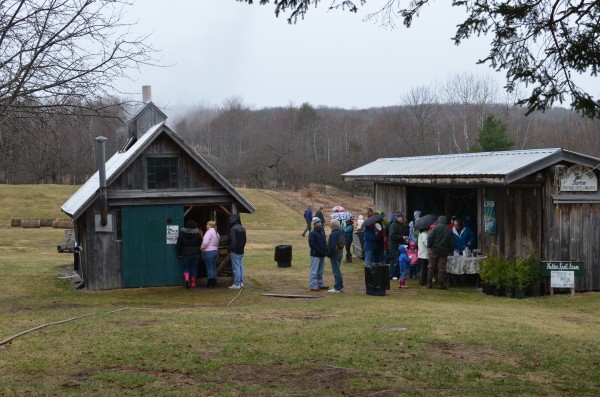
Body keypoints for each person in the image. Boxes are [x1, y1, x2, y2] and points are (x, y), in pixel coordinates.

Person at [426, 216, 455, 289]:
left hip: (434, 250)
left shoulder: (435, 228)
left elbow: (430, 238)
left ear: (439, 220)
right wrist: (450, 251)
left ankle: (429, 284)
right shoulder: (449, 230)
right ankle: (440, 285)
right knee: (442, 268)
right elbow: (452, 242)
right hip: (444, 252)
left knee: (431, 267)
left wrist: (429, 246)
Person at [176, 220, 202, 288]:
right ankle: (193, 283)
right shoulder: (197, 233)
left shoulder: (181, 233)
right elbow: (200, 243)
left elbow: (179, 244)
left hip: (185, 253)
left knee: (186, 268)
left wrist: (179, 253)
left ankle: (187, 280)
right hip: (195, 253)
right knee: (194, 268)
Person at [308, 217, 328, 291]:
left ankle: (320, 284)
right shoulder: (312, 232)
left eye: (320, 222)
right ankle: (312, 285)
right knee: (314, 271)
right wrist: (318, 250)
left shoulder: (322, 231)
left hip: (322, 253)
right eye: (318, 222)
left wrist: (325, 250)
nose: (319, 224)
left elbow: (324, 241)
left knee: (320, 271)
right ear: (315, 224)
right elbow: (312, 244)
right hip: (316, 254)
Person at [228, 213, 247, 290]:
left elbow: (233, 241)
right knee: (240, 266)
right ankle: (241, 282)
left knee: (236, 268)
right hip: (241, 250)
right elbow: (245, 240)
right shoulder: (242, 228)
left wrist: (231, 248)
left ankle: (236, 284)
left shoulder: (233, 229)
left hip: (235, 251)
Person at [326, 219, 345, 293]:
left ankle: (337, 288)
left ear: (333, 225)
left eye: (330, 224)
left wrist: (328, 254)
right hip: (340, 252)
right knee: (338, 269)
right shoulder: (341, 231)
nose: (330, 225)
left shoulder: (333, 234)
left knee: (336, 271)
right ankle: (340, 286)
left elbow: (333, 246)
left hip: (335, 253)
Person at [388, 212, 408, 280]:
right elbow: (392, 236)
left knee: (398, 261)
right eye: (402, 218)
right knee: (394, 261)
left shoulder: (401, 225)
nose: (403, 219)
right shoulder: (394, 225)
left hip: (399, 246)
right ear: (399, 218)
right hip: (394, 246)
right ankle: (392, 275)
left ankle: (397, 274)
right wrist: (402, 237)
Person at [201, 220, 220, 288]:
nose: (206, 226)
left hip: (209, 251)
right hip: (215, 251)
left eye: (207, 224)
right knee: (213, 267)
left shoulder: (208, 232)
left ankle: (210, 284)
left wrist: (202, 247)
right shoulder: (216, 233)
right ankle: (214, 282)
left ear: (210, 225)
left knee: (209, 268)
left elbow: (205, 242)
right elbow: (218, 243)